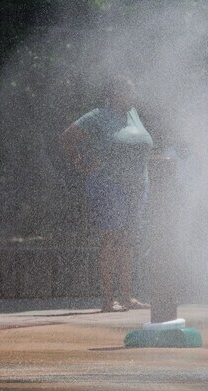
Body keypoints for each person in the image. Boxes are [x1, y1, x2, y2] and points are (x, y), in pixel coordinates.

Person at [60, 75, 154, 312]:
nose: (134, 96)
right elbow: (67, 138)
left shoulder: (132, 113)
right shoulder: (98, 116)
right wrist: (80, 163)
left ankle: (126, 296)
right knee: (111, 238)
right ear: (115, 94)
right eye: (129, 91)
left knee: (128, 239)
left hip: (137, 185)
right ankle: (107, 299)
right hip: (109, 183)